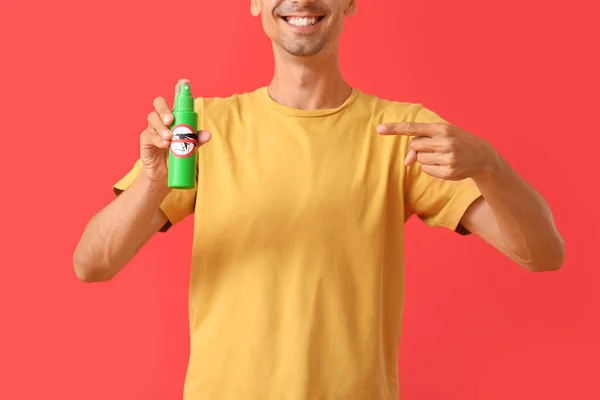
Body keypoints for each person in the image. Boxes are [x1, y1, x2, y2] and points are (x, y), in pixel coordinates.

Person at [72, 1, 565, 399]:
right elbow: (92, 264)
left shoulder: (400, 133)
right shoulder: (203, 128)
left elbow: (543, 254)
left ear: (351, 3)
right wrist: (153, 183)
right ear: (254, 4)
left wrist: (491, 166)